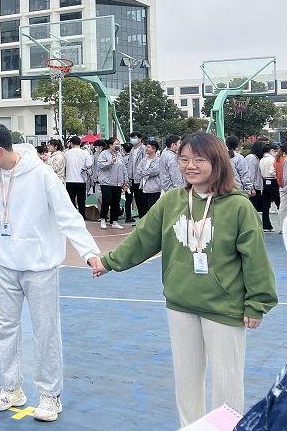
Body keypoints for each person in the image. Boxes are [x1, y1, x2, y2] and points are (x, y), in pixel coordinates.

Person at [90, 132, 278, 427]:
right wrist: (109, 262)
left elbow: (255, 259)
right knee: (187, 378)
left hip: (224, 307)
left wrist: (257, 303)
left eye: (199, 160)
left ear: (217, 162)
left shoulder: (238, 207)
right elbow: (143, 239)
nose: (190, 166)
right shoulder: (173, 201)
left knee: (227, 382)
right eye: (184, 159)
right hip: (181, 303)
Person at [0, 122, 101, 423]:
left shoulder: (42, 175)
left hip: (40, 265)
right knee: (5, 328)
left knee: (45, 329)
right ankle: (11, 388)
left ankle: (50, 394)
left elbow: (68, 215)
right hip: (3, 262)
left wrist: (90, 253)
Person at [97, 137, 127, 230]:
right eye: (116, 144)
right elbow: (101, 166)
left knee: (116, 202)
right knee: (106, 200)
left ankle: (114, 221)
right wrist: (111, 162)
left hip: (117, 182)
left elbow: (123, 168)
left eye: (119, 144)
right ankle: (103, 219)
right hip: (106, 182)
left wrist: (125, 180)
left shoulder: (119, 155)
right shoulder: (104, 154)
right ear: (110, 145)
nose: (118, 146)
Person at [63, 136, 92, 216]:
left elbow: (64, 165)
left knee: (71, 200)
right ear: (80, 143)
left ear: (71, 143)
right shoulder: (85, 153)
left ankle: (72, 215)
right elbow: (89, 165)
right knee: (81, 200)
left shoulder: (66, 153)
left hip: (69, 179)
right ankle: (82, 216)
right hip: (81, 180)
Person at [134, 140, 163, 217]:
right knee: (142, 207)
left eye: (148, 147)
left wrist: (144, 173)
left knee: (152, 207)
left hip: (154, 188)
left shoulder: (158, 160)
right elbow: (138, 170)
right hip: (143, 187)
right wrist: (146, 173)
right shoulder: (144, 160)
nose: (146, 148)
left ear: (154, 149)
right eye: (146, 147)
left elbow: (154, 171)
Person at [258, 143, 278, 232]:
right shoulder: (272, 159)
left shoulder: (262, 159)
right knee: (279, 203)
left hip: (264, 180)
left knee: (265, 205)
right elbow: (272, 171)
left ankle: (266, 225)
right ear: (271, 150)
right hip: (273, 181)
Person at [127, 132, 147, 221]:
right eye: (132, 138)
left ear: (140, 139)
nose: (133, 140)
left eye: (135, 138)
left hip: (141, 178)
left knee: (141, 200)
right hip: (132, 178)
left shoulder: (144, 149)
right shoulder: (132, 150)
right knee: (136, 199)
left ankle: (144, 218)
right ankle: (141, 218)